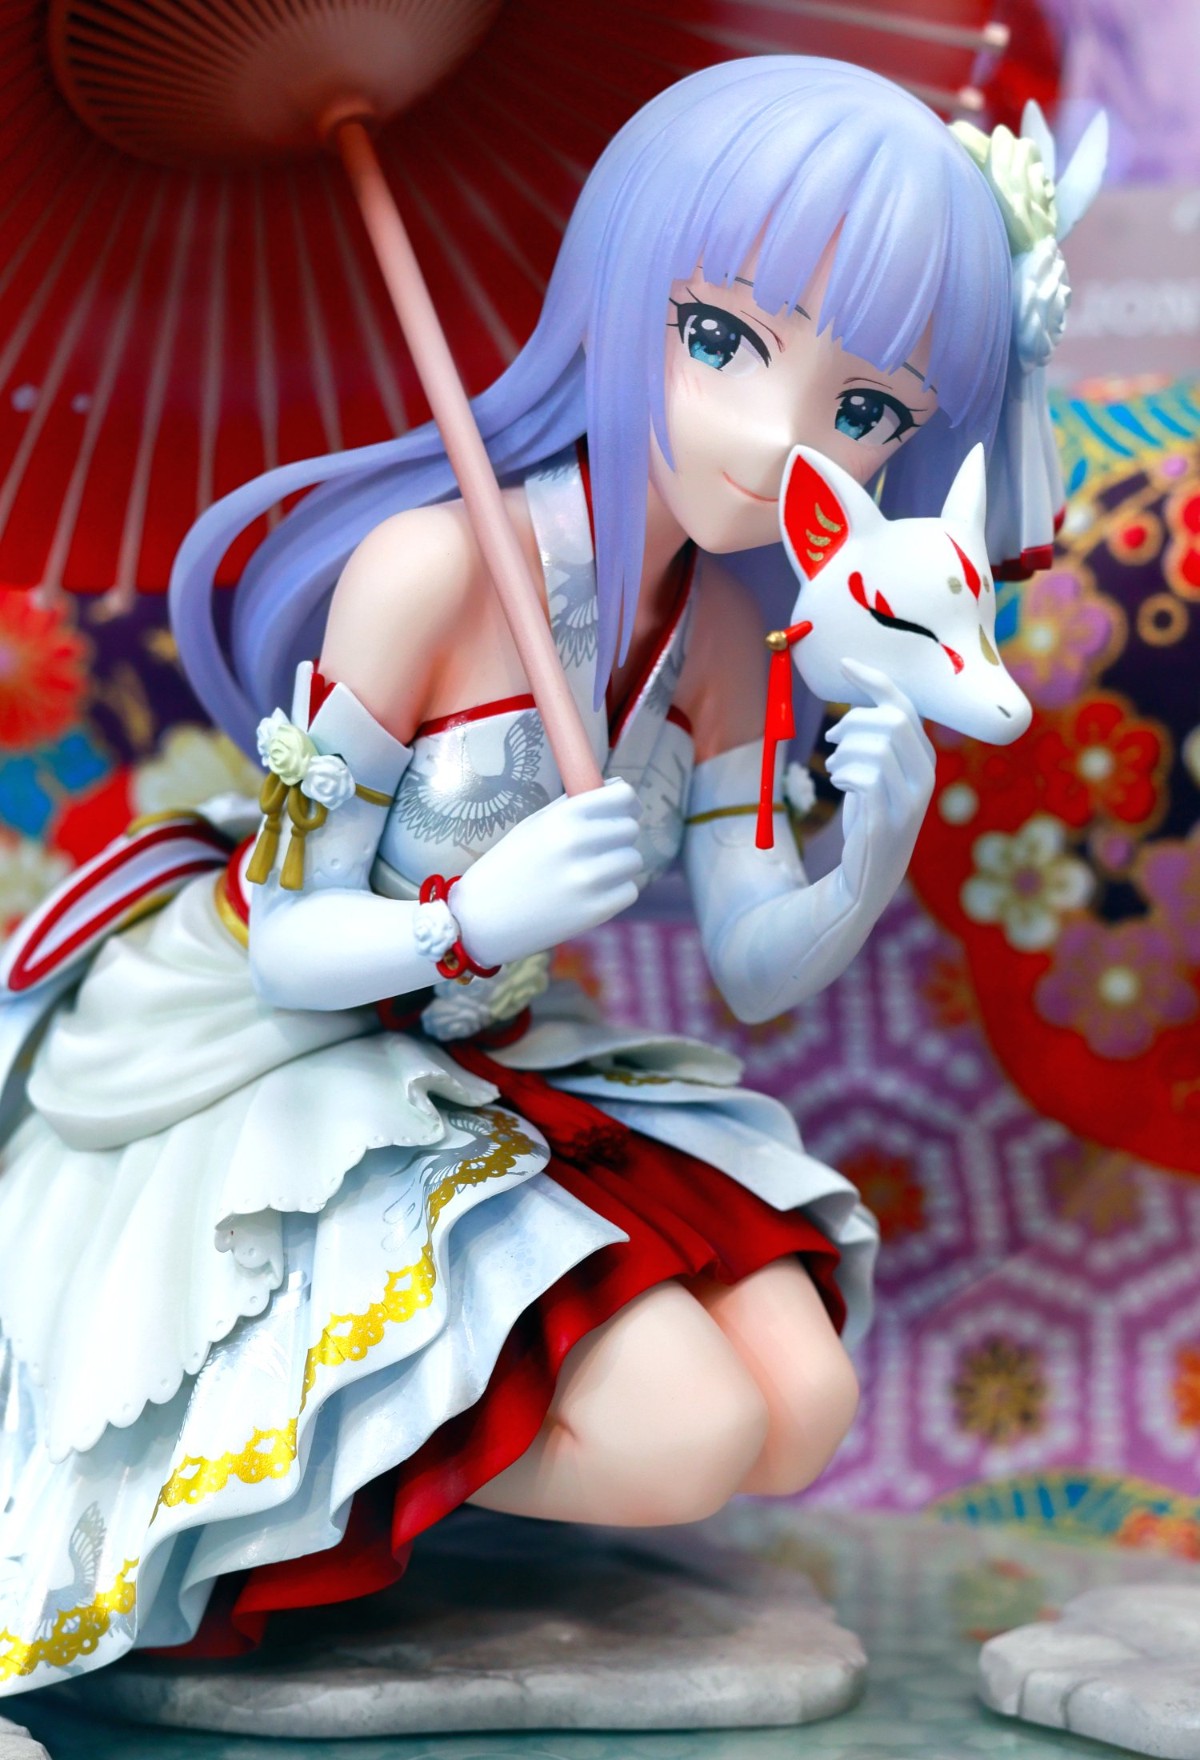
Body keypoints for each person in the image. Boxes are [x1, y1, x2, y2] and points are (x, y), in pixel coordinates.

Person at [0, 55, 1073, 1689]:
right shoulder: (430, 567)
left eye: (864, 412)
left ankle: (424, 1447)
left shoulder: (730, 620)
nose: (775, 439)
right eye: (720, 338)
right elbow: (288, 939)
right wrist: (473, 916)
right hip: (279, 1041)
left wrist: (874, 843)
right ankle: (278, 1494)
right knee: (685, 1436)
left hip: (486, 1051)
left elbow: (752, 962)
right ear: (625, 294)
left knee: (801, 1408)